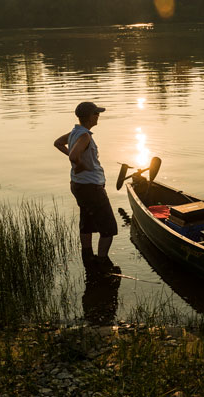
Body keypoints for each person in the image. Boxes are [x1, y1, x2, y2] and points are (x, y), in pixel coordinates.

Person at [54, 101, 118, 270]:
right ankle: (102, 261)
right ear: (90, 117)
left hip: (79, 185)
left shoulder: (75, 132)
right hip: (91, 187)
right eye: (96, 113)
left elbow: (58, 143)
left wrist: (78, 162)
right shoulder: (85, 136)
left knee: (87, 220)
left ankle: (87, 256)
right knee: (109, 228)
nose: (98, 116)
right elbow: (74, 156)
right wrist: (80, 164)